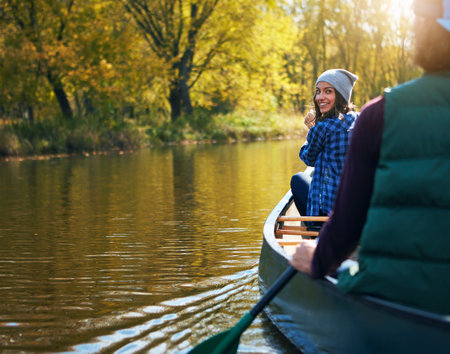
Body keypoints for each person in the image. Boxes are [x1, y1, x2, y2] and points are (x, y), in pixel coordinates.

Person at [289, 0, 450, 314]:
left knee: (299, 181)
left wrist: (318, 258)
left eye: (418, 19)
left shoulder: (379, 115)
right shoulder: (357, 118)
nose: (413, 27)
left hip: (392, 286)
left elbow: (349, 221)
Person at [290, 69, 358, 221]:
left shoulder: (322, 128)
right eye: (318, 91)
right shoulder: (358, 119)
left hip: (328, 210)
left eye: (328, 91)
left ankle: (314, 227)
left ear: (341, 95)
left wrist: (312, 130)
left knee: (298, 179)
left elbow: (308, 158)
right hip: (355, 204)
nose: (320, 97)